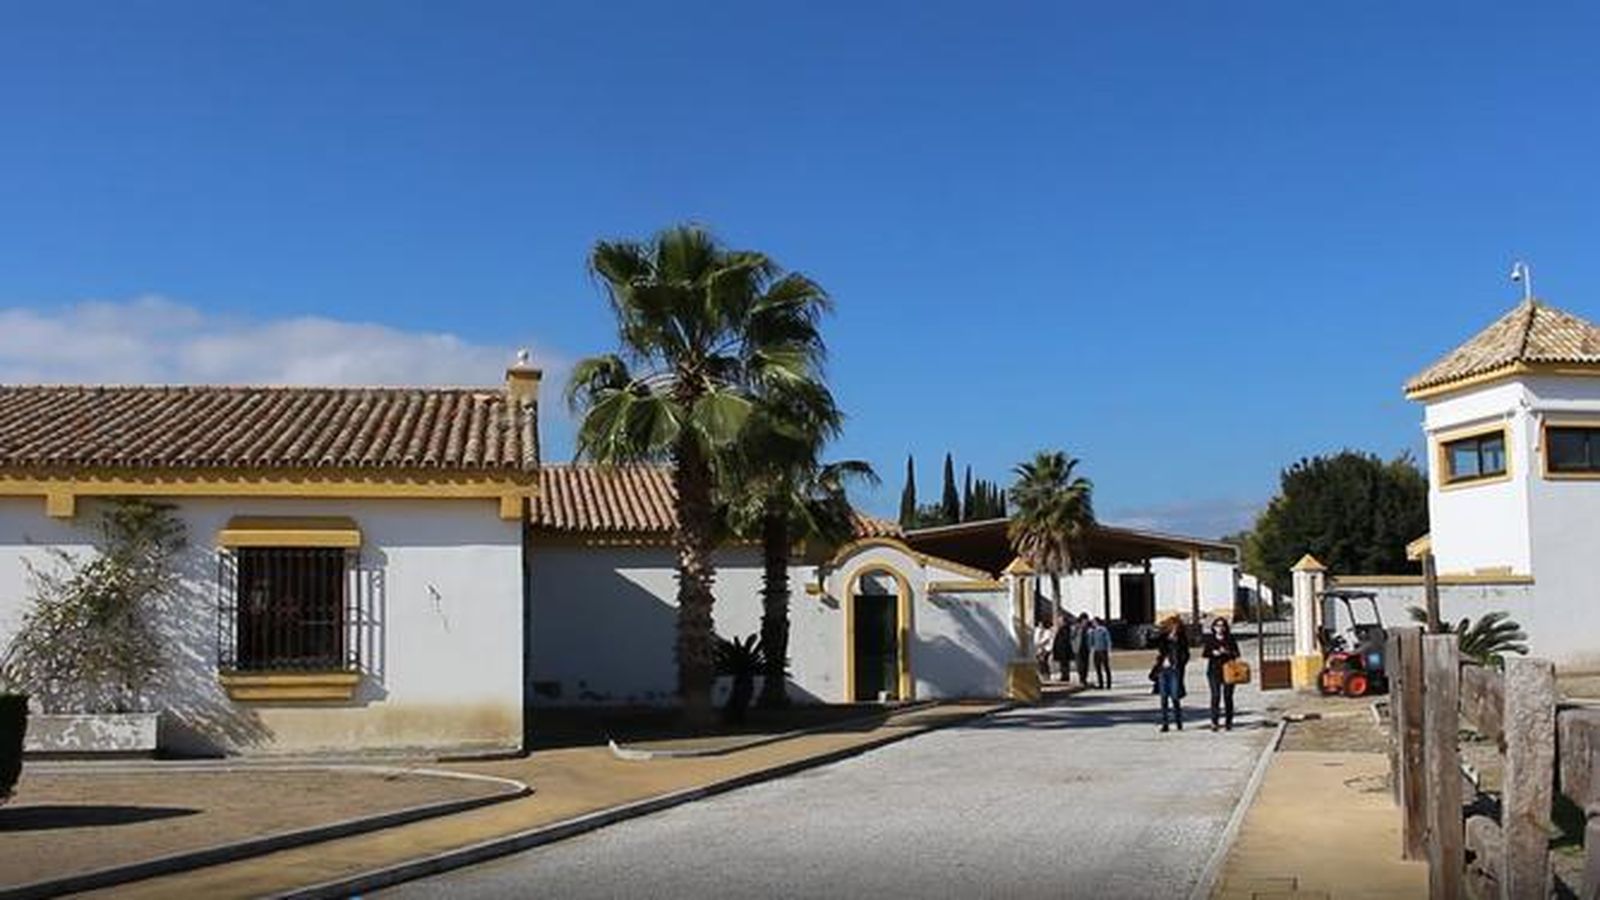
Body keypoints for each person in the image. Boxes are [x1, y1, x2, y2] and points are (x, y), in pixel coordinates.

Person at [1150, 615, 1189, 732]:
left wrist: (1179, 663)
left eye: (1176, 626)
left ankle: (1178, 721)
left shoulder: (1181, 639)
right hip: (1163, 670)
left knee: (1175, 696)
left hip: (1174, 670)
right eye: (1172, 626)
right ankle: (1165, 723)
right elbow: (1153, 643)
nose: (1174, 628)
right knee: (1163, 698)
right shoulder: (1163, 638)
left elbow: (1186, 654)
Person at [1202, 616, 1241, 731]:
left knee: (1228, 697)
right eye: (1217, 625)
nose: (1220, 628)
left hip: (1228, 671)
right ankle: (1214, 722)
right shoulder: (1210, 640)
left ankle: (1228, 722)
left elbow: (1237, 654)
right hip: (1214, 671)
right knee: (1215, 696)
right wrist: (1214, 653)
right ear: (1214, 627)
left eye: (1222, 625)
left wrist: (1227, 652)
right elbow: (1205, 654)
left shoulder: (1230, 639)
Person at [1089, 617, 1113, 689]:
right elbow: (1091, 642)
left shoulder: (1103, 630)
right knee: (1097, 667)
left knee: (1106, 667)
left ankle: (1108, 684)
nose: (1093, 623)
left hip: (1103, 650)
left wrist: (1109, 650)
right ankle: (1101, 683)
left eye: (1094, 622)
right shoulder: (1093, 631)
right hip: (1096, 651)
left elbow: (1108, 640)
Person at [1051, 611, 1074, 683]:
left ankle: (1065, 676)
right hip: (1061, 650)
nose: (1058, 622)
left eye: (1060, 620)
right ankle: (1064, 675)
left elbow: (1064, 640)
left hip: (1064, 650)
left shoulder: (1065, 629)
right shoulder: (1061, 629)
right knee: (1062, 664)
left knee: (1064, 664)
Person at [1033, 615, 1055, 681]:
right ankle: (1043, 674)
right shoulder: (1040, 630)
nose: (1041, 625)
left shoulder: (1048, 631)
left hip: (1046, 649)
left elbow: (1046, 639)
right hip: (1042, 648)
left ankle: (1046, 675)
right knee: (1041, 662)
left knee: (1043, 662)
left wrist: (1040, 644)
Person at [1073, 612, 1092, 686]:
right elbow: (1072, 637)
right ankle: (1081, 678)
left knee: (1085, 664)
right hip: (1078, 648)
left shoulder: (1089, 628)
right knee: (1079, 664)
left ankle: (1084, 679)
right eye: (1084, 620)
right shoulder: (1076, 627)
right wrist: (1074, 646)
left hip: (1086, 648)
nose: (1086, 621)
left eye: (1086, 620)